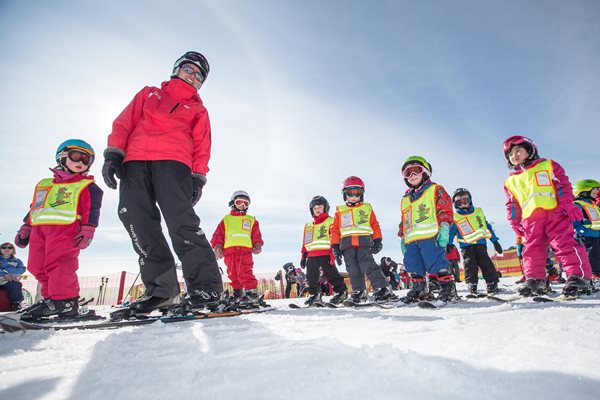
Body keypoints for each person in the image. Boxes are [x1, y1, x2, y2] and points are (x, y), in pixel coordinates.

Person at [102, 51, 223, 314]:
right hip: (134, 163)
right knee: (137, 220)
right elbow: (125, 122)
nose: (193, 76)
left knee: (182, 223)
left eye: (199, 75)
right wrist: (113, 154)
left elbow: (203, 145)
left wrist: (198, 177)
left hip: (174, 164)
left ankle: (207, 288)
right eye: (189, 70)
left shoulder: (198, 109)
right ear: (177, 69)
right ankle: (162, 291)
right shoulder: (149, 94)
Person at [14, 139, 103, 320]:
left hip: (66, 231)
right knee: (37, 265)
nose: (81, 162)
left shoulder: (87, 186)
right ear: (62, 157)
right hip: (41, 231)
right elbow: (36, 206)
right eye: (77, 156)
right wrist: (26, 226)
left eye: (87, 160)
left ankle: (66, 301)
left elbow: (91, 210)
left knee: (60, 264)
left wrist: (88, 229)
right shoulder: (45, 184)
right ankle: (51, 299)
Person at [502, 135, 592, 297]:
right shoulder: (510, 181)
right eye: (510, 155)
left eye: (517, 151)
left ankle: (578, 276)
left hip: (555, 213)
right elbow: (512, 204)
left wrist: (567, 204)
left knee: (565, 245)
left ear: (530, 151)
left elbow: (563, 184)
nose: (513, 156)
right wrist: (515, 222)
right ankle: (536, 280)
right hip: (530, 220)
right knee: (531, 250)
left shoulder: (547, 165)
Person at [398, 156, 458, 304]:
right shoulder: (406, 198)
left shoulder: (435, 189)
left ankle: (448, 289)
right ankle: (420, 289)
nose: (412, 176)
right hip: (411, 238)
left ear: (425, 172)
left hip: (430, 235)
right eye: (408, 173)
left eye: (416, 171)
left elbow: (445, 208)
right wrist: (402, 236)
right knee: (413, 263)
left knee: (436, 262)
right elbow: (405, 219)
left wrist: (444, 226)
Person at [330, 176, 396, 303]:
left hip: (363, 243)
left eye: (357, 193)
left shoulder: (367, 208)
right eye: (350, 193)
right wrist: (335, 246)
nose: (354, 196)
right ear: (344, 194)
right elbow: (335, 230)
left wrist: (377, 240)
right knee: (352, 269)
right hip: (347, 245)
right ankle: (359, 291)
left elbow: (374, 224)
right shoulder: (340, 210)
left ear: (362, 194)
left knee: (368, 265)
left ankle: (382, 289)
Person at [211, 190, 263, 306]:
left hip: (244, 252)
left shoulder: (251, 220)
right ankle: (238, 294)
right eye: (239, 202)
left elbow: (256, 235)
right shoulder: (226, 219)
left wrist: (257, 244)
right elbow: (218, 234)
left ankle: (251, 293)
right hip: (229, 252)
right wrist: (217, 245)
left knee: (244, 271)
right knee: (232, 274)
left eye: (246, 203)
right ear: (233, 203)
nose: (243, 206)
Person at [448, 188, 503, 295]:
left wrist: (495, 241)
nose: (463, 204)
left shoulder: (478, 212)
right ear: (455, 204)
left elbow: (487, 227)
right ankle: (472, 285)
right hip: (466, 246)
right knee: (470, 265)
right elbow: (451, 231)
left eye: (465, 201)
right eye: (459, 202)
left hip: (480, 244)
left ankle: (492, 283)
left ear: (470, 200)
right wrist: (448, 243)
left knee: (486, 263)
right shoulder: (456, 217)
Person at [300, 196, 348, 306]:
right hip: (311, 255)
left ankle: (341, 293)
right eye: (314, 208)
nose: (317, 210)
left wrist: (333, 254)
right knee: (311, 276)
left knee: (331, 274)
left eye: (320, 207)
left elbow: (335, 237)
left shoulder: (331, 221)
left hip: (326, 253)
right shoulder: (308, 225)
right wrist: (303, 256)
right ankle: (314, 295)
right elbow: (305, 243)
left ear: (325, 208)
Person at [572, 179, 600, 284]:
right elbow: (573, 218)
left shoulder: (593, 205)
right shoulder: (577, 204)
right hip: (586, 235)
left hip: (596, 234)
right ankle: (593, 275)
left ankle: (597, 273)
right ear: (584, 192)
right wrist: (579, 228)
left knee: (597, 254)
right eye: (594, 192)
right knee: (591, 255)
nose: (596, 194)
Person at [0, 243, 26, 311]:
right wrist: (4, 274)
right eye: (4, 247)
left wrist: (6, 271)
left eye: (10, 247)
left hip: (10, 280)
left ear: (13, 250)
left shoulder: (17, 261)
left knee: (16, 284)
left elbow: (22, 269)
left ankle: (15, 304)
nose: (7, 249)